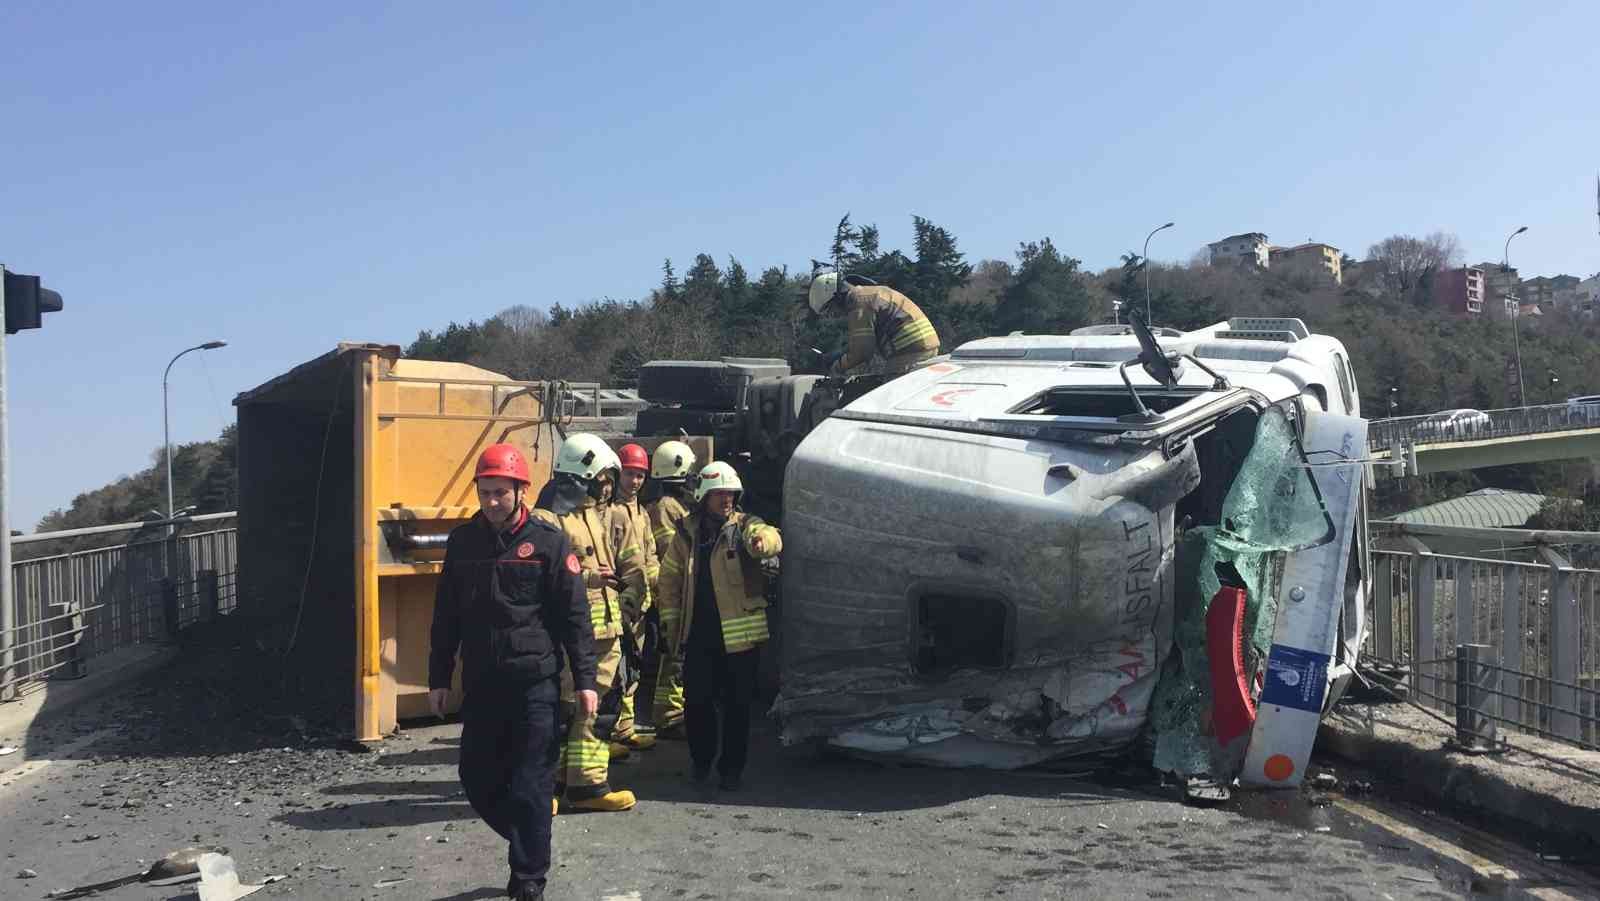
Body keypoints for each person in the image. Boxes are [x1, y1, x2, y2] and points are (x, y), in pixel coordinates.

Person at [428, 443, 595, 901]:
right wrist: (438, 677)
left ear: (521, 491)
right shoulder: (464, 544)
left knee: (531, 783)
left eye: (500, 492)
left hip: (534, 685)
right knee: (476, 779)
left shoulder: (549, 543)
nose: (492, 501)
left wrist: (585, 681)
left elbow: (574, 617)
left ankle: (528, 877)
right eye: (485, 492)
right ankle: (530, 832)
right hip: (481, 684)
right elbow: (446, 617)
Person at [531, 432, 644, 812]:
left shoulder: (591, 515)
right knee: (562, 713)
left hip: (606, 631)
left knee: (597, 712)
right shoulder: (548, 518)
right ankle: (548, 787)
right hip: (572, 635)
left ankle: (587, 786)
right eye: (603, 478)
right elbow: (545, 575)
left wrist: (628, 606)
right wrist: (592, 579)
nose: (608, 486)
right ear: (585, 474)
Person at [656, 461, 782, 790]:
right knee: (696, 703)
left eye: (730, 494)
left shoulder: (744, 526)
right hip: (700, 634)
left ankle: (731, 771)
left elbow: (769, 535)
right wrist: (670, 623)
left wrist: (762, 544)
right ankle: (701, 761)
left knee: (737, 708)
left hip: (740, 641)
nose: (726, 500)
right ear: (704, 497)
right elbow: (669, 579)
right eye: (719, 494)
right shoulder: (686, 532)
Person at [607, 443, 659, 755]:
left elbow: (649, 555)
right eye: (630, 474)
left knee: (633, 667)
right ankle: (611, 731)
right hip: (619, 600)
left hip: (640, 601)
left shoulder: (642, 512)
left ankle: (624, 729)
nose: (635, 481)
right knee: (615, 668)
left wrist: (655, 586)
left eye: (640, 475)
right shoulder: (611, 512)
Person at [644, 439, 696, 736]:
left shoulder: (673, 505)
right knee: (674, 655)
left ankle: (671, 713)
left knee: (676, 655)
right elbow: (670, 552)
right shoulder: (666, 508)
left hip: (676, 588)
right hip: (672, 590)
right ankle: (669, 716)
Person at [808, 270, 939, 377]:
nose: (833, 316)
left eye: (829, 310)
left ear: (836, 297)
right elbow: (863, 342)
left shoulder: (858, 301)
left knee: (887, 398)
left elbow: (863, 351)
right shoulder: (869, 293)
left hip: (909, 352)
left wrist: (836, 366)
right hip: (925, 345)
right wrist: (841, 354)